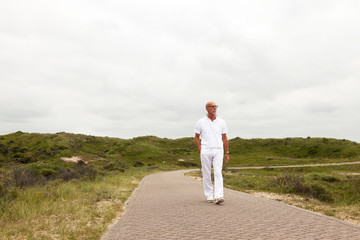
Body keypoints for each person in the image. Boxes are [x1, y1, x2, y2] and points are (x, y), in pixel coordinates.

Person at [194, 101, 229, 204]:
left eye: (215, 106)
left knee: (218, 172)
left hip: (218, 150)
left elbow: (224, 138)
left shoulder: (221, 121)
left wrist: (227, 152)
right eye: (212, 107)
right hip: (206, 150)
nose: (214, 108)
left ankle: (219, 196)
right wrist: (201, 150)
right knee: (206, 173)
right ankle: (209, 195)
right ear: (207, 108)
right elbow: (196, 137)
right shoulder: (200, 122)